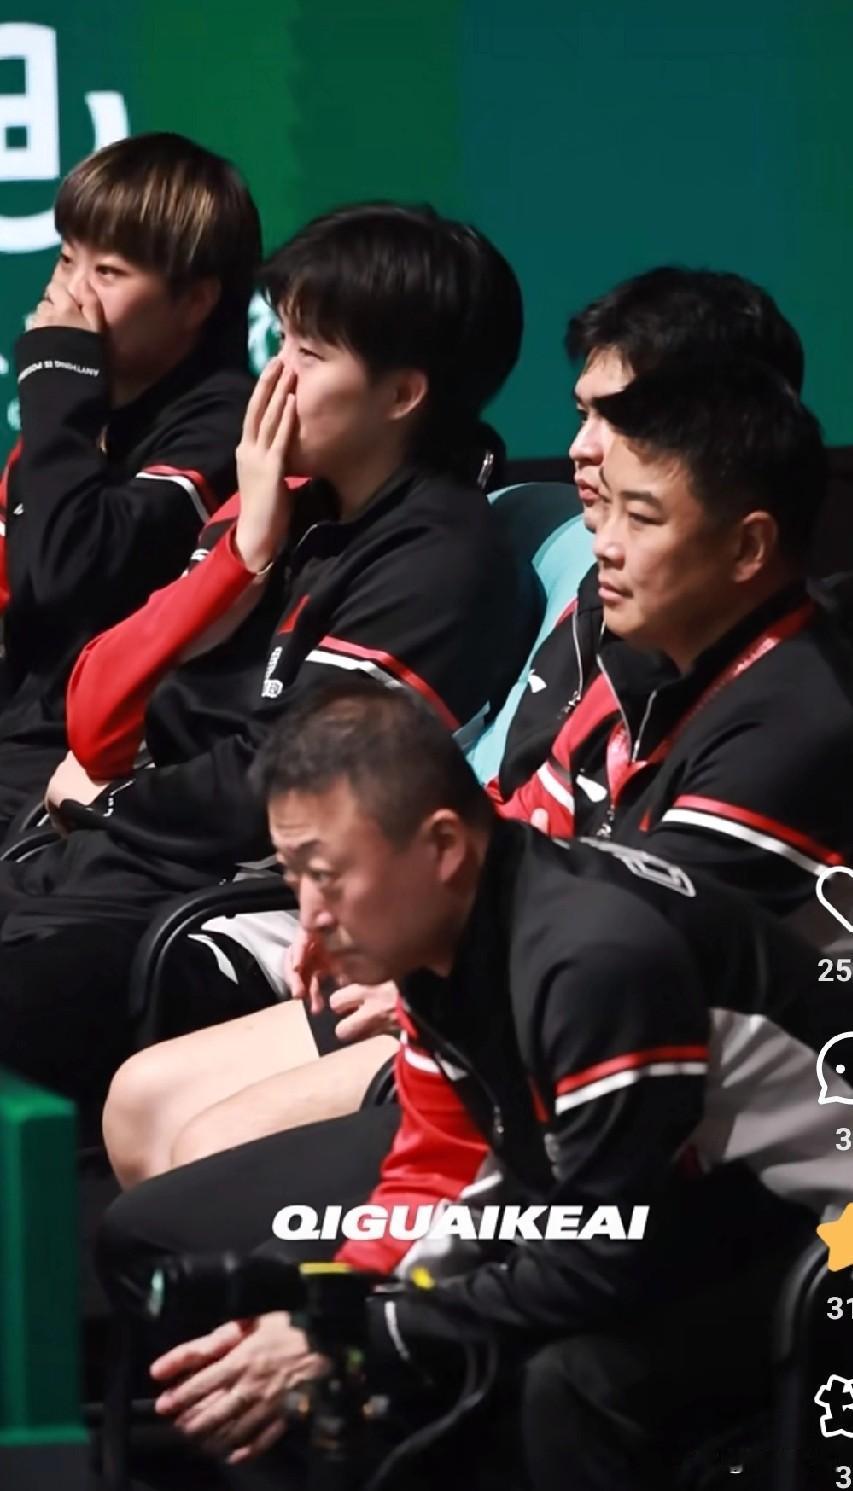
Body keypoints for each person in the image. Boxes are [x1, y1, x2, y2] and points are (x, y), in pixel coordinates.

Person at [97, 678, 846, 1488]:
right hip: (681, 1200)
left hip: (819, 1228)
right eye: (293, 875)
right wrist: (335, 1300)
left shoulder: (594, 962)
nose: (307, 917)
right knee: (270, 1290)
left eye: (327, 875)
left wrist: (358, 1330)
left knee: (565, 1380)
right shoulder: (445, 925)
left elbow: (599, 1258)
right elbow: (443, 1165)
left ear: (444, 846)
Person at [0, 201, 539, 1116]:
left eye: (308, 354)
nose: (274, 373)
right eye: (280, 339)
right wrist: (236, 555)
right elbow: (100, 704)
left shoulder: (443, 561)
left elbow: (285, 789)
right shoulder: (289, 508)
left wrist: (110, 799)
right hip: (108, 868)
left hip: (219, 918)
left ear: (401, 395)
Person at [0, 131, 262, 835]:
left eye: (108, 272)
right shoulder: (89, 414)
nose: (67, 291)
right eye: (66, 258)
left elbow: (69, 573)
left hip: (91, 767)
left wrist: (57, 376)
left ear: (195, 300)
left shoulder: (226, 427)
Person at [497, 264, 806, 798]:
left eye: (622, 421)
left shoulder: (790, 706)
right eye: (584, 415)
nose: (581, 448)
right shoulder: (607, 596)